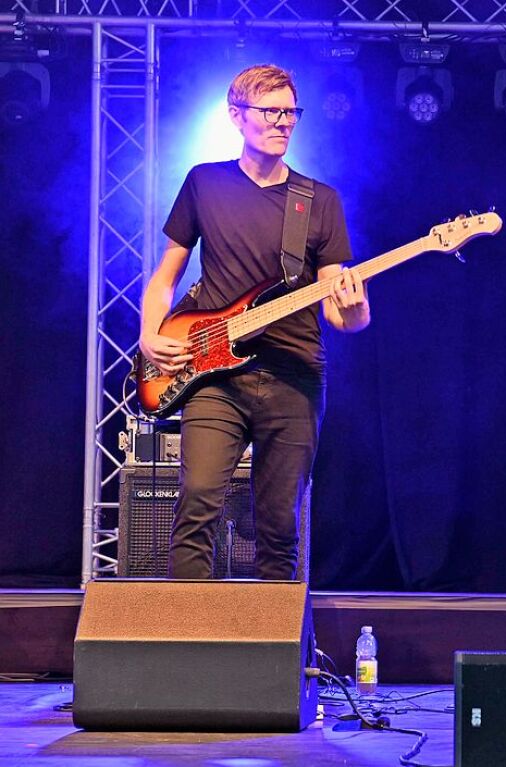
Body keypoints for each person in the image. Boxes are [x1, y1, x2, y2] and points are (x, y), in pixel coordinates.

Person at [139, 64, 369, 581]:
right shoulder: (204, 182)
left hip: (294, 377)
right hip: (213, 376)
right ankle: (187, 647)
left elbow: (341, 311)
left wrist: (354, 308)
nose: (283, 122)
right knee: (196, 503)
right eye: (271, 111)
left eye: (291, 112)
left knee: (278, 524)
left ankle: (273, 656)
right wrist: (150, 333)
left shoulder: (320, 201)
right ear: (236, 116)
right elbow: (164, 277)